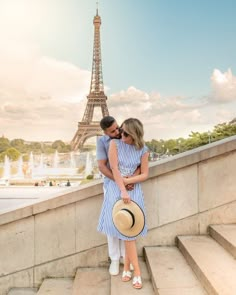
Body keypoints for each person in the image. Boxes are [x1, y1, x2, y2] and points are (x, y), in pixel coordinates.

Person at [97, 118, 149, 289]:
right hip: (117, 187)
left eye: (123, 132)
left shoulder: (142, 149)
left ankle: (127, 266)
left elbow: (144, 172)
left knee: (129, 228)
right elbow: (111, 168)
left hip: (132, 188)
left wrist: (131, 180)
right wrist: (124, 187)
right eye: (118, 132)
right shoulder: (111, 143)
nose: (119, 134)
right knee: (122, 227)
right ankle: (131, 269)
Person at [96, 116, 125, 275]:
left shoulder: (125, 134)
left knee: (128, 219)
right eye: (113, 131)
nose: (117, 131)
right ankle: (114, 258)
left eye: (117, 128)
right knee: (112, 221)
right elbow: (101, 166)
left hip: (129, 183)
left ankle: (126, 256)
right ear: (105, 132)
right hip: (112, 184)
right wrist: (118, 181)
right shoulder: (101, 142)